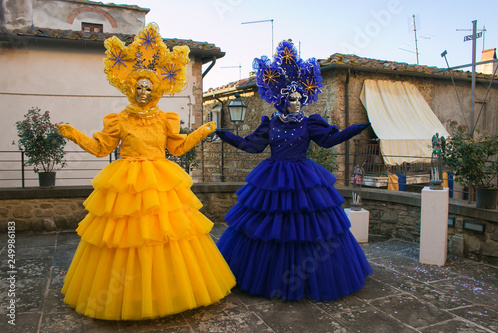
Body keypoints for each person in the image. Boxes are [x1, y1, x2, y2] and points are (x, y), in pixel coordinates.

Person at [57, 24, 235, 320]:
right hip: (127, 182)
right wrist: (74, 134)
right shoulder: (119, 119)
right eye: (139, 87)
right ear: (130, 88)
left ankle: (168, 290)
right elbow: (101, 148)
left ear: (157, 90)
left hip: (161, 182)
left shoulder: (166, 118)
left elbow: (177, 149)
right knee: (126, 238)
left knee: (166, 236)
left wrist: (202, 131)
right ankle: (128, 295)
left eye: (149, 87)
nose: (143, 91)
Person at [215, 40, 373, 301]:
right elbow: (252, 146)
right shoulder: (270, 123)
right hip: (273, 178)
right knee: (270, 226)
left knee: (308, 227)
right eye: (292, 99)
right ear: (281, 100)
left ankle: (311, 279)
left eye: (301, 98)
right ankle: (264, 276)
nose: (297, 103)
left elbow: (328, 141)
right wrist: (226, 136)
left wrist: (353, 130)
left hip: (303, 177)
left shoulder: (310, 123)